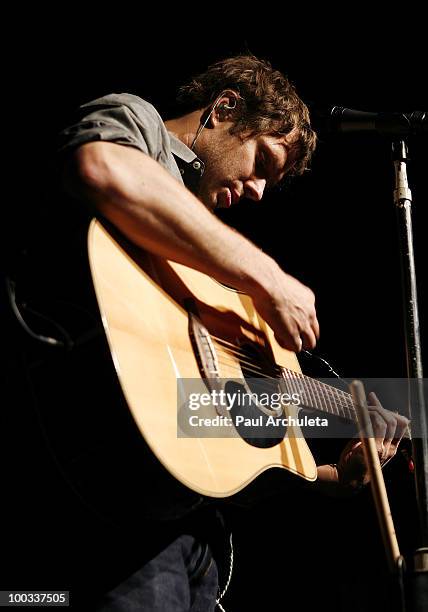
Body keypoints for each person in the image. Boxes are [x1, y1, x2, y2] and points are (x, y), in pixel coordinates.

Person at [39, 54, 408, 610]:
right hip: (105, 530)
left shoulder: (210, 262)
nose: (260, 191)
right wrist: (268, 277)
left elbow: (223, 452)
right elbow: (100, 167)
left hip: (187, 534)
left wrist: (330, 476)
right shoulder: (142, 128)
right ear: (225, 106)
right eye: (262, 160)